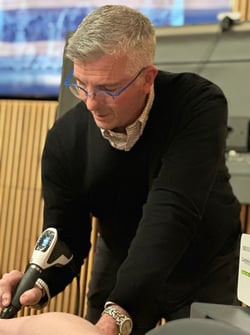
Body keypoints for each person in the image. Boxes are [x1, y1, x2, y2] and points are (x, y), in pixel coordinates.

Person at [0, 4, 242, 335]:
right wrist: (39, 281)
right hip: (120, 258)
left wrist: (120, 309)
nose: (90, 103)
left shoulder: (197, 104)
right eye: (81, 84)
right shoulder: (65, 139)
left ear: (147, 78)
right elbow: (66, 234)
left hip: (204, 261)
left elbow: (171, 213)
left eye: (107, 89)